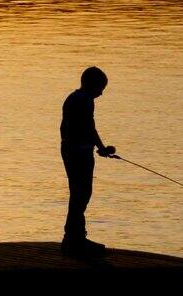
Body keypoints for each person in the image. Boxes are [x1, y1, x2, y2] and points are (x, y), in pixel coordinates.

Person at [60, 66, 118, 256]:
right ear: (93, 86)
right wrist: (101, 148)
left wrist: (98, 148)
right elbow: (89, 126)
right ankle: (74, 239)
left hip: (71, 150)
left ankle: (74, 237)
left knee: (78, 193)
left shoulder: (73, 97)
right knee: (81, 194)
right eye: (101, 88)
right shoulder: (85, 101)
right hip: (80, 153)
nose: (101, 93)